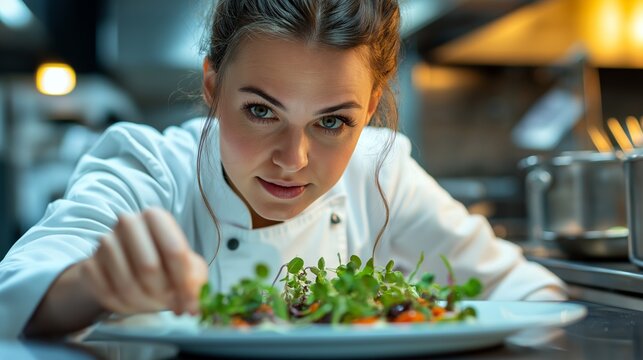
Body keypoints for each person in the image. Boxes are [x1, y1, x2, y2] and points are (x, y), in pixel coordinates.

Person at [0, 0, 565, 338]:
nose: (292, 160)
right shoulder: (151, 168)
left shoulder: (380, 174)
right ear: (212, 87)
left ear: (369, 111)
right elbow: (15, 291)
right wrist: (94, 283)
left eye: (333, 123)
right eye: (261, 111)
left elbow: (533, 294)